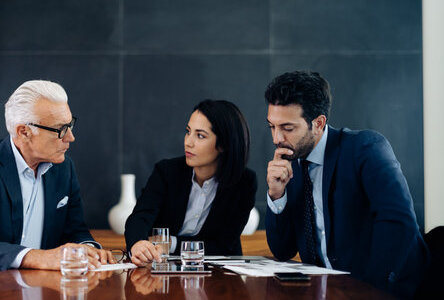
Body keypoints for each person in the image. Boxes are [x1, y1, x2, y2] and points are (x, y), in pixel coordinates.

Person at [0, 80, 115, 287]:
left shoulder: (64, 168)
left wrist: (88, 248)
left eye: (70, 125)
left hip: (38, 285)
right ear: (23, 132)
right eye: (60, 129)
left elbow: (75, 230)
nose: (71, 137)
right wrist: (41, 257)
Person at [264, 71, 429, 298]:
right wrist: (276, 195)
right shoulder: (290, 165)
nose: (276, 138)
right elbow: (283, 251)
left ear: (319, 123)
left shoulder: (365, 148)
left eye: (287, 128)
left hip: (388, 290)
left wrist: (366, 292)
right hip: (325, 292)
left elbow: (398, 224)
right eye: (272, 126)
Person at [125, 99, 257, 266]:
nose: (188, 142)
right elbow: (140, 217)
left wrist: (169, 244)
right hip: (163, 267)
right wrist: (138, 243)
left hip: (220, 273)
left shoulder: (244, 182)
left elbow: (223, 246)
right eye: (188, 132)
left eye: (200, 135)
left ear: (223, 144)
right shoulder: (166, 171)